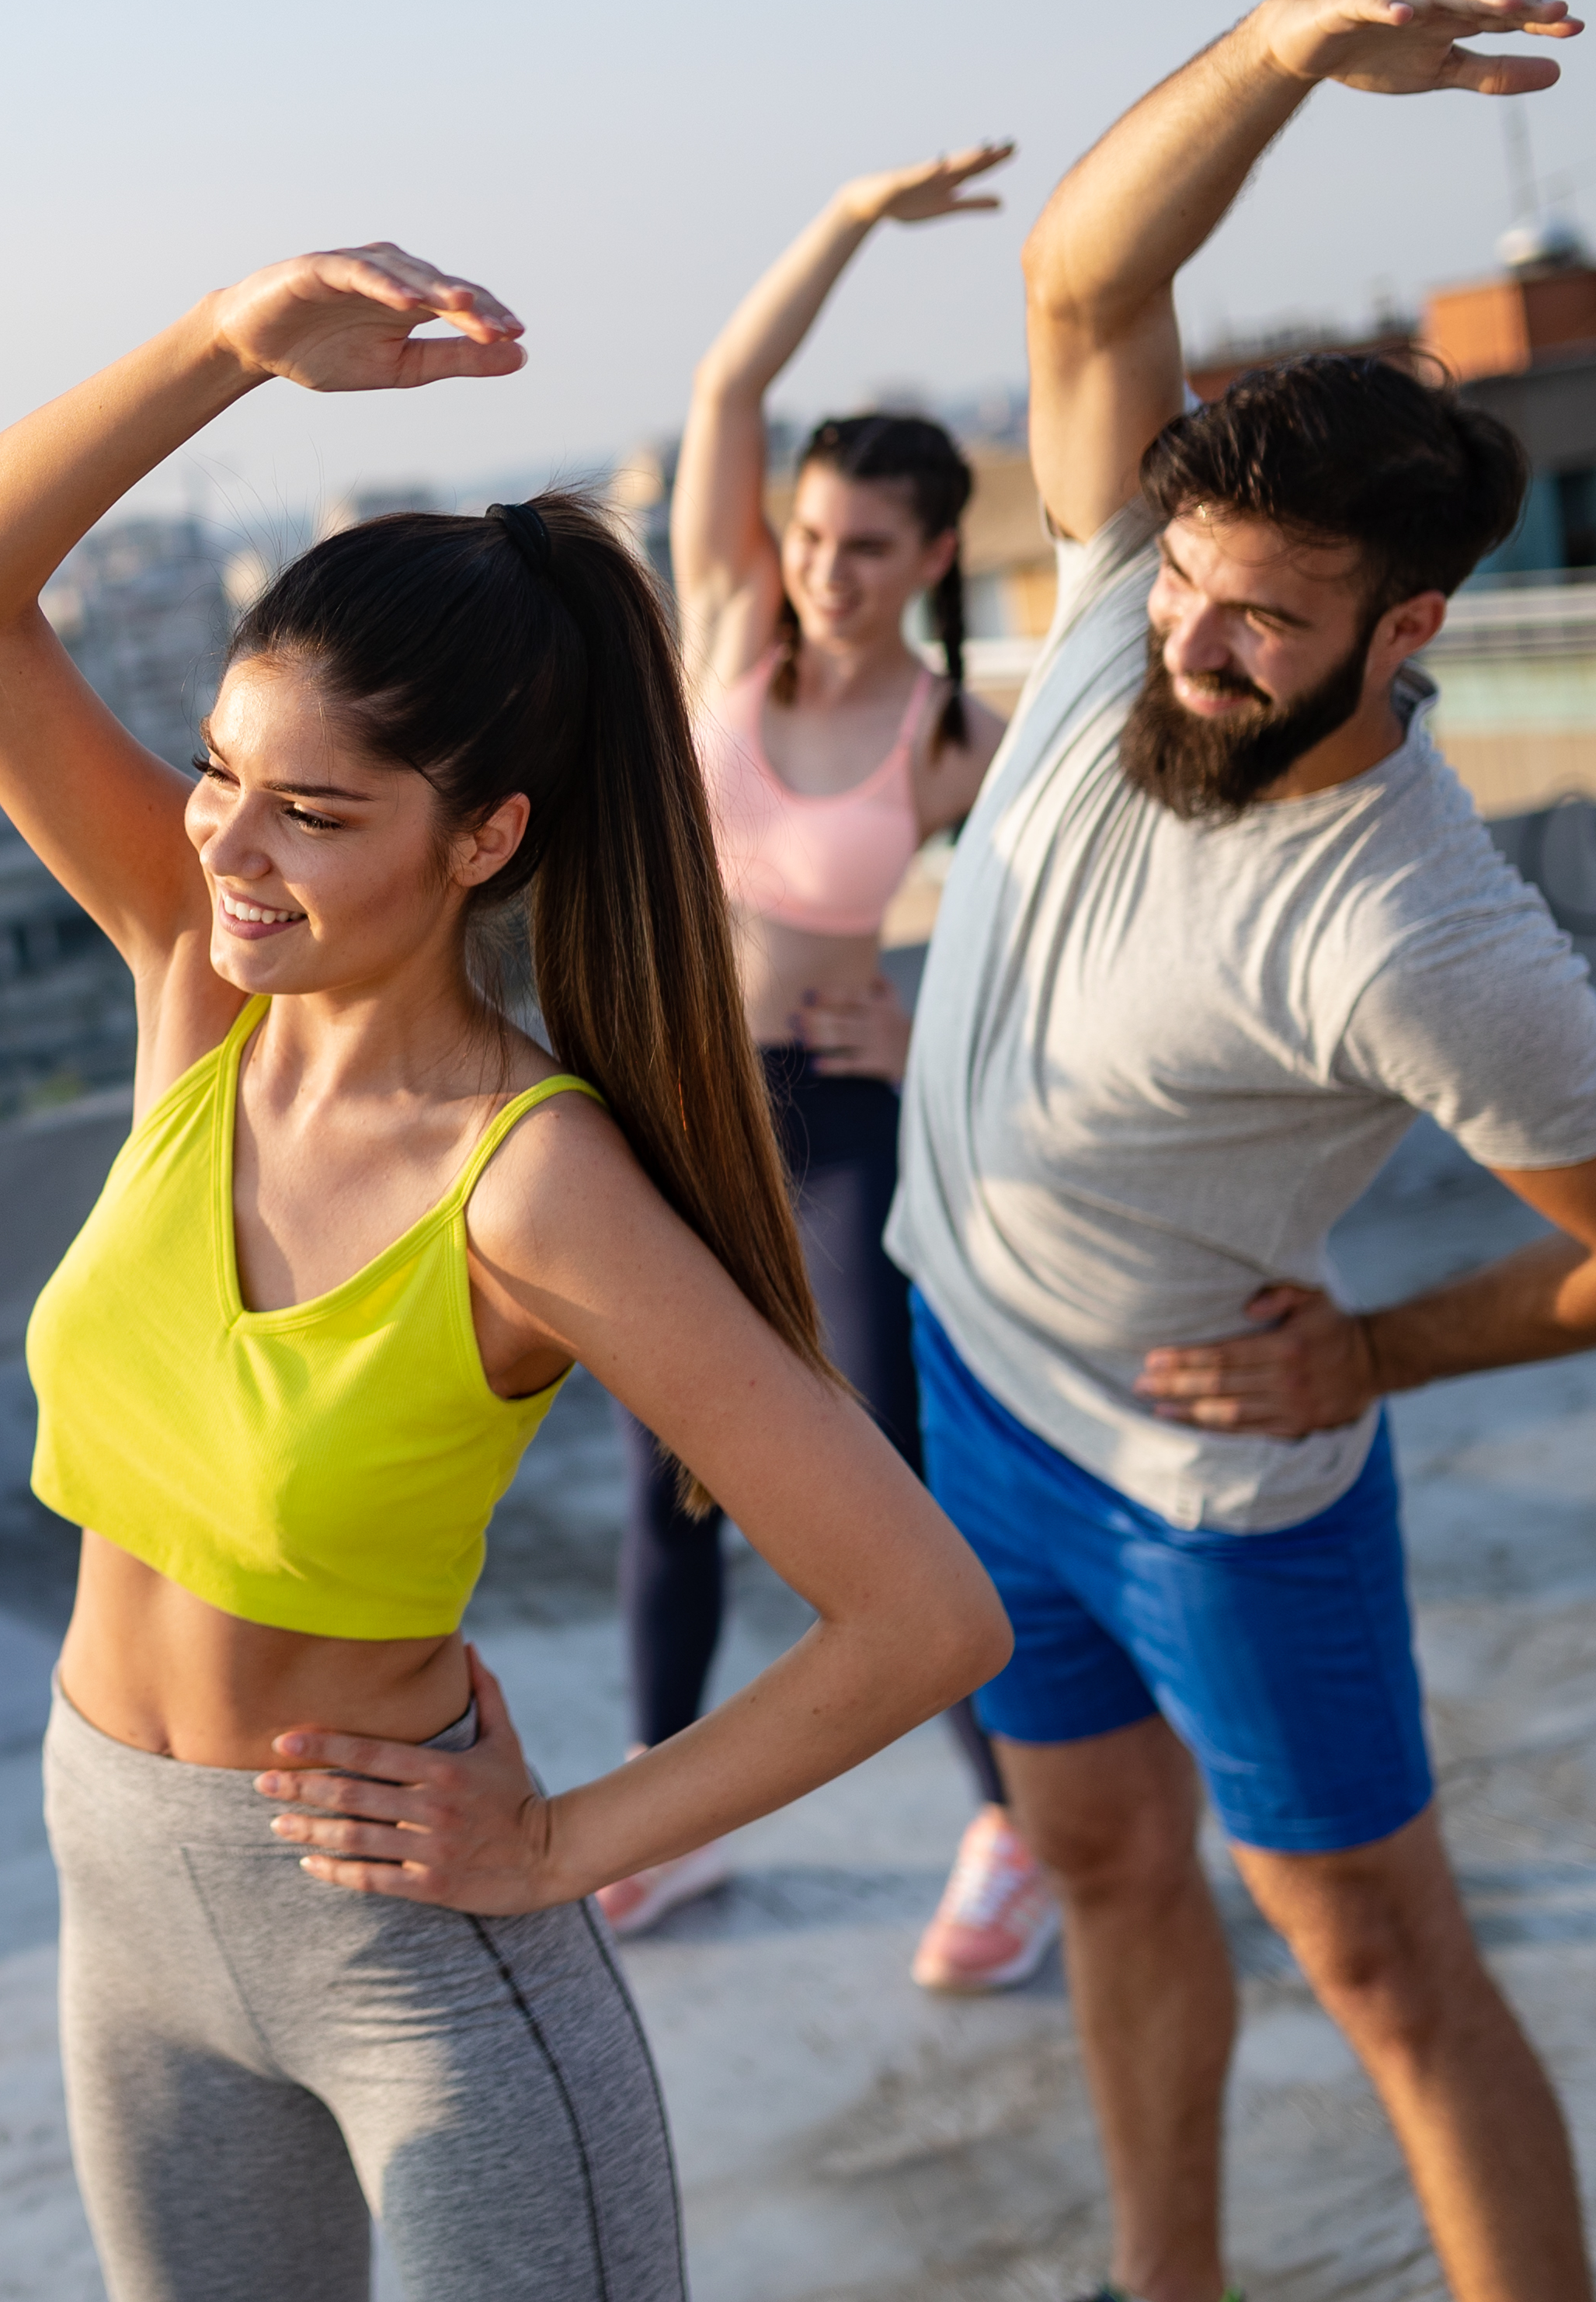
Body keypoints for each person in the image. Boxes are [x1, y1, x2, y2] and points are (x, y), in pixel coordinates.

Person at [0, 243, 1014, 2299]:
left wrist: (568, 1845)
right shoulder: (196, 980)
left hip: (419, 1981)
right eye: (219, 771)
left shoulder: (533, 1182)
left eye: (312, 810)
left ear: (482, 840)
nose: (227, 847)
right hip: (118, 1902)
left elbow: (923, 1613)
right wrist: (230, 347)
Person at [899, 0, 1596, 2302]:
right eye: (1188, 578)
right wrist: (1278, 50)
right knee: (1093, 1863)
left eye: (1266, 617)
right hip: (979, 1401)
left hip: (1204, 1487)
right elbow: (1082, 282)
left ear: (1412, 628)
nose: (1190, 636)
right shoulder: (1118, 607)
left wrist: (1377, 1357)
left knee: (1383, 1972)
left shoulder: (1421, 932)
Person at [593, 142, 1057, 1994]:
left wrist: (928, 1009)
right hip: (677, 1116)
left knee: (890, 1479)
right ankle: (667, 1825)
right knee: (669, 1481)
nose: (828, 573)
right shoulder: (727, 637)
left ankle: (1015, 1822)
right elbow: (726, 389)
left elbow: (1073, 922)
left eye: (870, 549)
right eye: (810, 538)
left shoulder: (955, 734)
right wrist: (854, 223)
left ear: (938, 553)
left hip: (844, 1120)